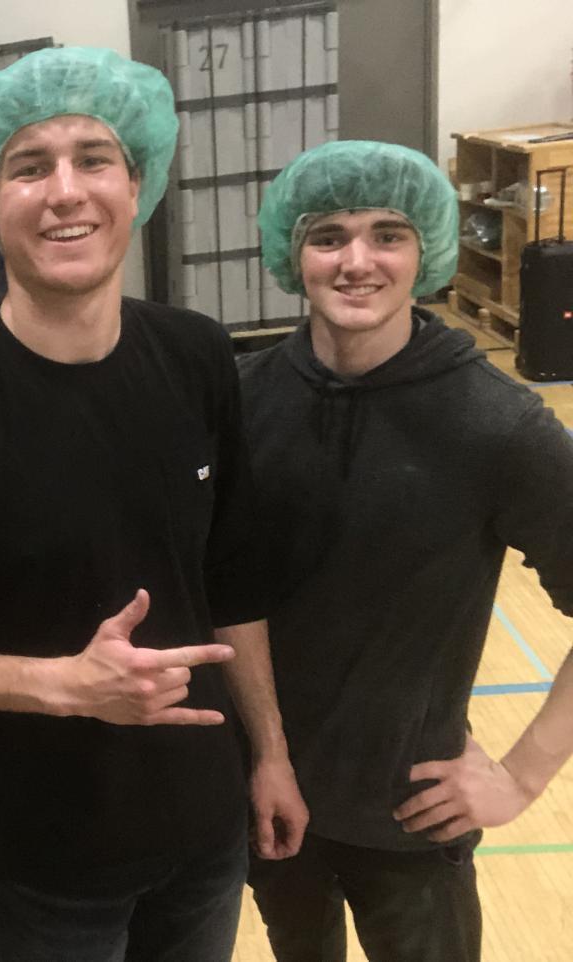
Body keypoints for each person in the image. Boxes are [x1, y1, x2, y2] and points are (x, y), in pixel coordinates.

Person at [0, 46, 308, 962]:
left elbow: (232, 580)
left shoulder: (197, 356)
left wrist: (269, 752)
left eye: (94, 158)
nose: (66, 191)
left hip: (204, 824)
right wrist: (64, 686)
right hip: (41, 851)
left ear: (136, 184)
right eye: (30, 167)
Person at [239, 140, 573, 962]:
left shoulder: (496, 425)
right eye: (328, 237)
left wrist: (522, 774)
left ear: (426, 250)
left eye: (388, 234)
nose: (357, 261)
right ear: (293, 254)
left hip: (413, 819)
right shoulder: (242, 402)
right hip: (272, 802)